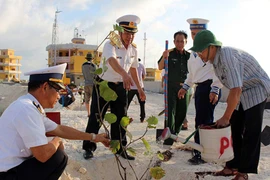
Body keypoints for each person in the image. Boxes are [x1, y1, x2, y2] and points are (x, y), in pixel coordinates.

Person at [0, 63, 110, 180]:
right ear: (45, 87)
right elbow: (43, 155)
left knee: (56, 154)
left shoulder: (30, 106)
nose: (58, 96)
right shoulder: (27, 109)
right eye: (57, 90)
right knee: (58, 157)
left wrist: (94, 137)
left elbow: (59, 129)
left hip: (12, 169)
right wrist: (57, 141)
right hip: (7, 174)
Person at [189, 29, 270, 180]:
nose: (199, 54)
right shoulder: (215, 62)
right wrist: (227, 114)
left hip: (256, 89)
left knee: (250, 132)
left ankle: (244, 172)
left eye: (201, 50)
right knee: (234, 128)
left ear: (212, 47)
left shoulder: (227, 57)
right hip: (242, 92)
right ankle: (232, 166)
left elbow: (236, 89)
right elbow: (228, 85)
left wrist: (226, 116)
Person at [82, 15, 146, 160]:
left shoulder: (133, 50)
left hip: (121, 87)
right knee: (97, 117)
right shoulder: (110, 44)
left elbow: (134, 69)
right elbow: (111, 60)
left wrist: (140, 89)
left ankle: (119, 148)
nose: (130, 37)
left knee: (120, 118)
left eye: (132, 34)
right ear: (120, 32)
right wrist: (124, 73)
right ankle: (88, 147)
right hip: (104, 84)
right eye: (127, 33)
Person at [178, 18, 223, 165]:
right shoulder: (193, 54)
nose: (194, 36)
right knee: (200, 121)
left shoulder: (211, 50)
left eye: (198, 33)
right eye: (192, 33)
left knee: (205, 122)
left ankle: (204, 153)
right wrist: (185, 87)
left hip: (209, 88)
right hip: (200, 89)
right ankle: (201, 150)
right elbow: (191, 75)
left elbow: (218, 71)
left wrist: (215, 89)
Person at [158, 30, 190, 145]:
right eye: (177, 41)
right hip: (171, 86)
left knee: (182, 112)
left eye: (182, 41)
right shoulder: (169, 53)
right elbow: (160, 66)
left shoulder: (189, 56)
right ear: (174, 42)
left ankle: (174, 133)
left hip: (185, 88)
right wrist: (163, 56)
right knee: (170, 111)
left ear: (186, 42)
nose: (180, 43)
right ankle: (169, 135)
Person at [127, 58, 146, 122]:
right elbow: (143, 76)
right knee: (126, 103)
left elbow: (143, 75)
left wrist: (140, 83)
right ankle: (124, 116)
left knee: (142, 103)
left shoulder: (141, 66)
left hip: (139, 88)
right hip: (131, 88)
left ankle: (142, 117)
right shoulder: (129, 66)